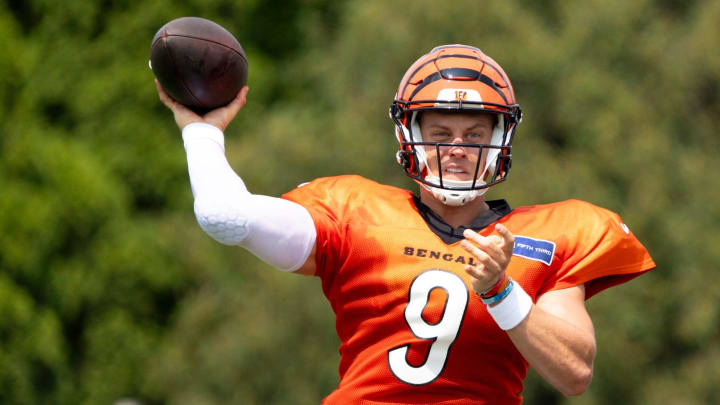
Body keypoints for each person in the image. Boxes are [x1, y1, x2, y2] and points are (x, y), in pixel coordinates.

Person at [156, 44, 655, 404]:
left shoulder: (549, 234)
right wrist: (201, 131)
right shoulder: (354, 212)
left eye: (475, 132)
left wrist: (501, 290)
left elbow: (574, 373)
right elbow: (225, 216)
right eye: (440, 132)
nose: (457, 147)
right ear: (408, 136)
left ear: (502, 141)